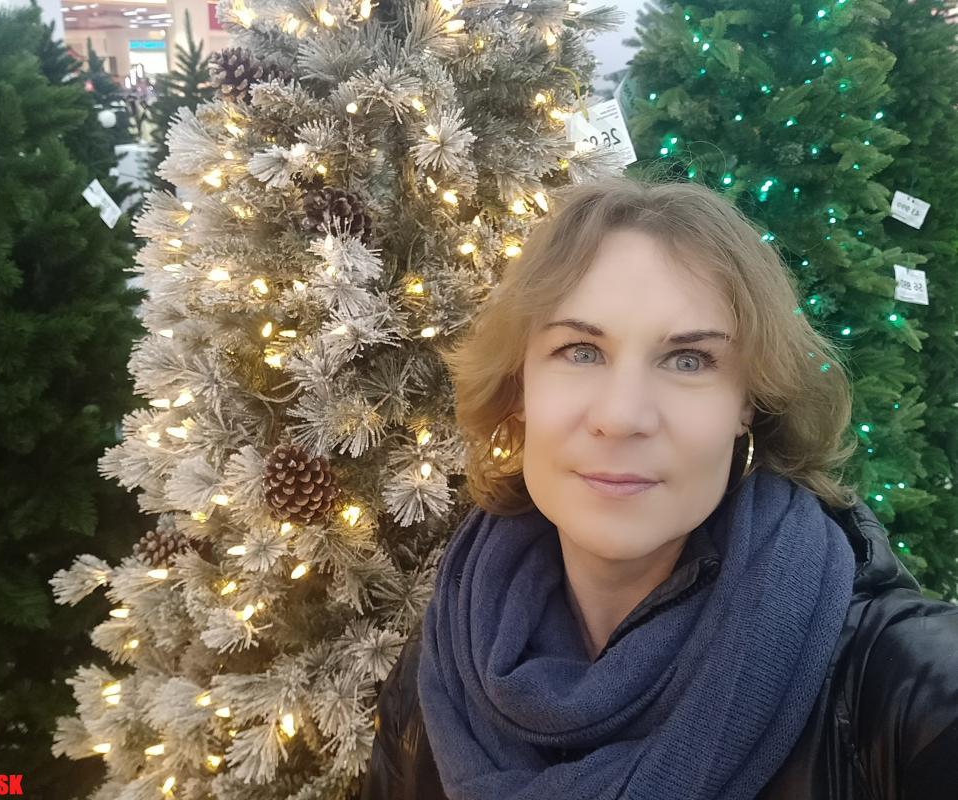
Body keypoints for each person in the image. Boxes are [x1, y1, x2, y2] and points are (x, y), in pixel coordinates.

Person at [361, 175, 958, 800]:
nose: (622, 416)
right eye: (581, 351)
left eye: (688, 360)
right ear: (519, 386)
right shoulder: (441, 666)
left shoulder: (893, 686)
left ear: (748, 402)